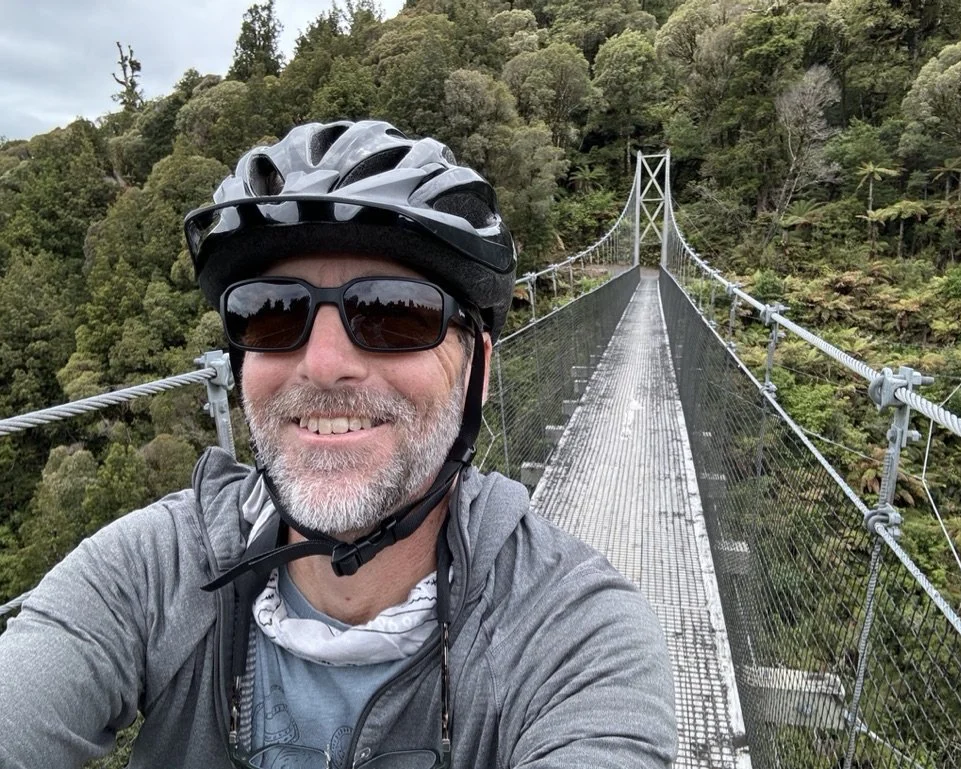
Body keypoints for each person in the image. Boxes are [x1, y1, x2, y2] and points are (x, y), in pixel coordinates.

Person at [0, 120, 676, 768]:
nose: (323, 364)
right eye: (271, 314)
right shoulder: (152, 574)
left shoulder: (576, 637)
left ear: (479, 370)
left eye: (392, 313)